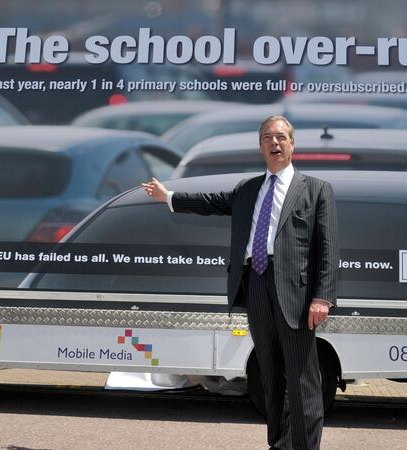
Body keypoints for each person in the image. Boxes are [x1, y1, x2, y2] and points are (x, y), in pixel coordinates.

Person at [141, 115, 339, 450]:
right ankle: (279, 444)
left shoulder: (316, 190)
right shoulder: (248, 190)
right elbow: (209, 203)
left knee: (303, 381)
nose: (274, 143)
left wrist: (322, 297)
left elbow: (328, 247)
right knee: (270, 379)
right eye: (267, 138)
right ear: (260, 146)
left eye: (280, 137)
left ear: (292, 144)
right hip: (257, 286)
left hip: (296, 296)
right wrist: (168, 196)